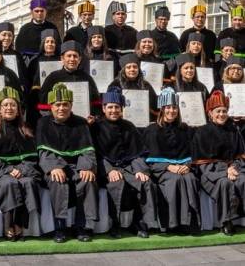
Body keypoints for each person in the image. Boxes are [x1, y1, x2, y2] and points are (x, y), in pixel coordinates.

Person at [90, 87, 158, 238]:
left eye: (117, 107)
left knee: (146, 182)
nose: (114, 110)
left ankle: (140, 223)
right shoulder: (96, 128)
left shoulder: (129, 126)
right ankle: (115, 224)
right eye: (110, 107)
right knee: (116, 184)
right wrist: (109, 170)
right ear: (103, 108)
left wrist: (140, 170)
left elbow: (139, 152)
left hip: (129, 168)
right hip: (106, 169)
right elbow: (94, 154)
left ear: (121, 109)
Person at [36, 83, 98, 243]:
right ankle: (60, 226)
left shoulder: (80, 123)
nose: (61, 108)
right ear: (51, 106)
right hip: (55, 165)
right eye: (58, 105)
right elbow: (43, 151)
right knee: (58, 181)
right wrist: (53, 167)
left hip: (77, 165)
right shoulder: (43, 123)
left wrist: (86, 167)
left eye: (65, 105)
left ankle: (82, 226)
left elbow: (88, 150)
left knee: (87, 179)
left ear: (71, 106)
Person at [0, 86, 41, 241]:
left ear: (18, 109)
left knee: (28, 182)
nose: (9, 108)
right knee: (9, 184)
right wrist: (8, 169)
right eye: (5, 105)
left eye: (13, 105)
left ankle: (20, 223)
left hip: (23, 171)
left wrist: (21, 169)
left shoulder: (25, 130)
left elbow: (32, 158)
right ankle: (8, 225)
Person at [143, 87, 200, 232]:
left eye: (174, 108)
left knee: (190, 178)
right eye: (168, 107)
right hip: (162, 169)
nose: (171, 111)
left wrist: (188, 165)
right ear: (162, 109)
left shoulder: (185, 129)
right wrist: (168, 166)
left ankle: (189, 223)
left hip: (184, 167)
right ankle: (172, 224)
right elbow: (149, 158)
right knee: (175, 180)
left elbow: (193, 152)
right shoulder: (152, 130)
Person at [192, 90, 245, 235]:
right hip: (211, 172)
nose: (221, 114)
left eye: (224, 111)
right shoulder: (202, 132)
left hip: (233, 169)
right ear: (210, 113)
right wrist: (225, 170)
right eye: (218, 111)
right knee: (225, 183)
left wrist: (234, 167)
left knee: (243, 180)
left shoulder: (234, 130)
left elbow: (240, 155)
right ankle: (226, 221)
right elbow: (202, 163)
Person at [38, 41, 99, 118]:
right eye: (69, 56)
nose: (72, 59)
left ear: (79, 59)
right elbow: (43, 105)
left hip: (82, 123)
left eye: (75, 56)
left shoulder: (87, 78)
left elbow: (96, 103)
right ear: (62, 58)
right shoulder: (52, 77)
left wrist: (93, 117)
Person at [110, 54, 158, 120]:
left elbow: (154, 105)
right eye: (128, 67)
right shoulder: (115, 85)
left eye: (135, 67)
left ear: (139, 69)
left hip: (143, 120)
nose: (132, 69)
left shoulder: (146, 85)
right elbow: (110, 107)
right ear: (123, 70)